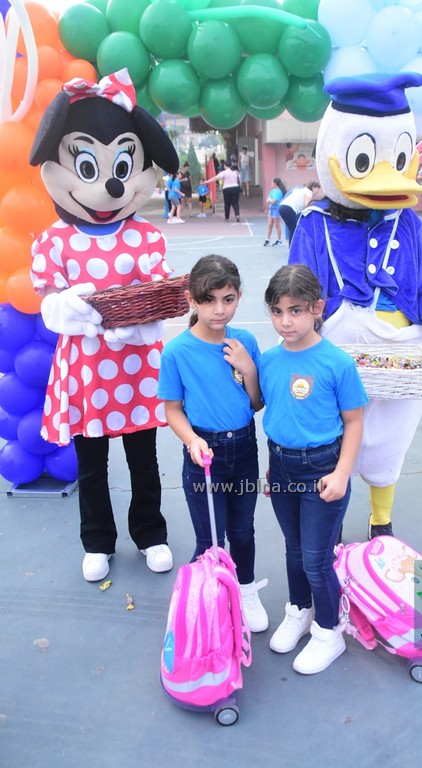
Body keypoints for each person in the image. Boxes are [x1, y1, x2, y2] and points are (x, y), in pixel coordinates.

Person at [289, 73, 422, 542]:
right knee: (334, 437)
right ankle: (331, 517)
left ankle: (381, 517)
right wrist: (303, 341)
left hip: (403, 352)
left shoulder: (407, 222)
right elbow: (297, 291)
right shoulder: (313, 223)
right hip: (336, 348)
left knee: (390, 440)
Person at [29, 69, 177, 582]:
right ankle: (97, 540)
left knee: (143, 458)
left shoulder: (146, 238)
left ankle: (151, 533)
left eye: (122, 166)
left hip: (136, 367)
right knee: (91, 462)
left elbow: (158, 293)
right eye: (88, 166)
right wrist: (70, 309)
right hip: (87, 370)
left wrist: (138, 323)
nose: (109, 185)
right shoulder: (53, 240)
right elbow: (48, 301)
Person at [259, 264, 367, 674]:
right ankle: (299, 610)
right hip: (281, 467)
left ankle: (329, 631)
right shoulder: (269, 361)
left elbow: (354, 422)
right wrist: (273, 468)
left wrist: (341, 474)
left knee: (316, 561)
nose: (285, 321)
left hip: (322, 470)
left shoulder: (337, 363)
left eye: (296, 310)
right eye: (277, 311)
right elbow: (279, 416)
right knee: (293, 550)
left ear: (317, 308)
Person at [157, 254, 268, 633]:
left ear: (239, 297)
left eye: (228, 299)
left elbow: (257, 403)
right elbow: (172, 409)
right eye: (209, 300)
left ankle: (245, 590)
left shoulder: (245, 342)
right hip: (204, 455)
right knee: (210, 539)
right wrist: (191, 440)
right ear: (191, 299)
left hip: (245, 449)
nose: (219, 310)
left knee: (243, 532)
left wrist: (248, 369)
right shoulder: (177, 351)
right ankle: (200, 601)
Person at [278, 181, 322, 246]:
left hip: (282, 207)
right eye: (317, 189)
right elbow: (306, 205)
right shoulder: (308, 192)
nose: (317, 191)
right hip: (289, 208)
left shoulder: (299, 190)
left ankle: (292, 246)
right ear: (313, 187)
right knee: (294, 229)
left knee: (291, 228)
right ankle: (293, 247)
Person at [263, 177, 287, 247]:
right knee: (270, 224)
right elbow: (268, 200)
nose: (271, 183)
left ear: (275, 183)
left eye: (272, 182)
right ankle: (267, 239)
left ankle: (279, 240)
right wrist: (270, 201)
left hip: (276, 209)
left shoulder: (279, 192)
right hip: (271, 209)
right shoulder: (272, 191)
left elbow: (274, 201)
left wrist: (270, 200)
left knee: (277, 225)